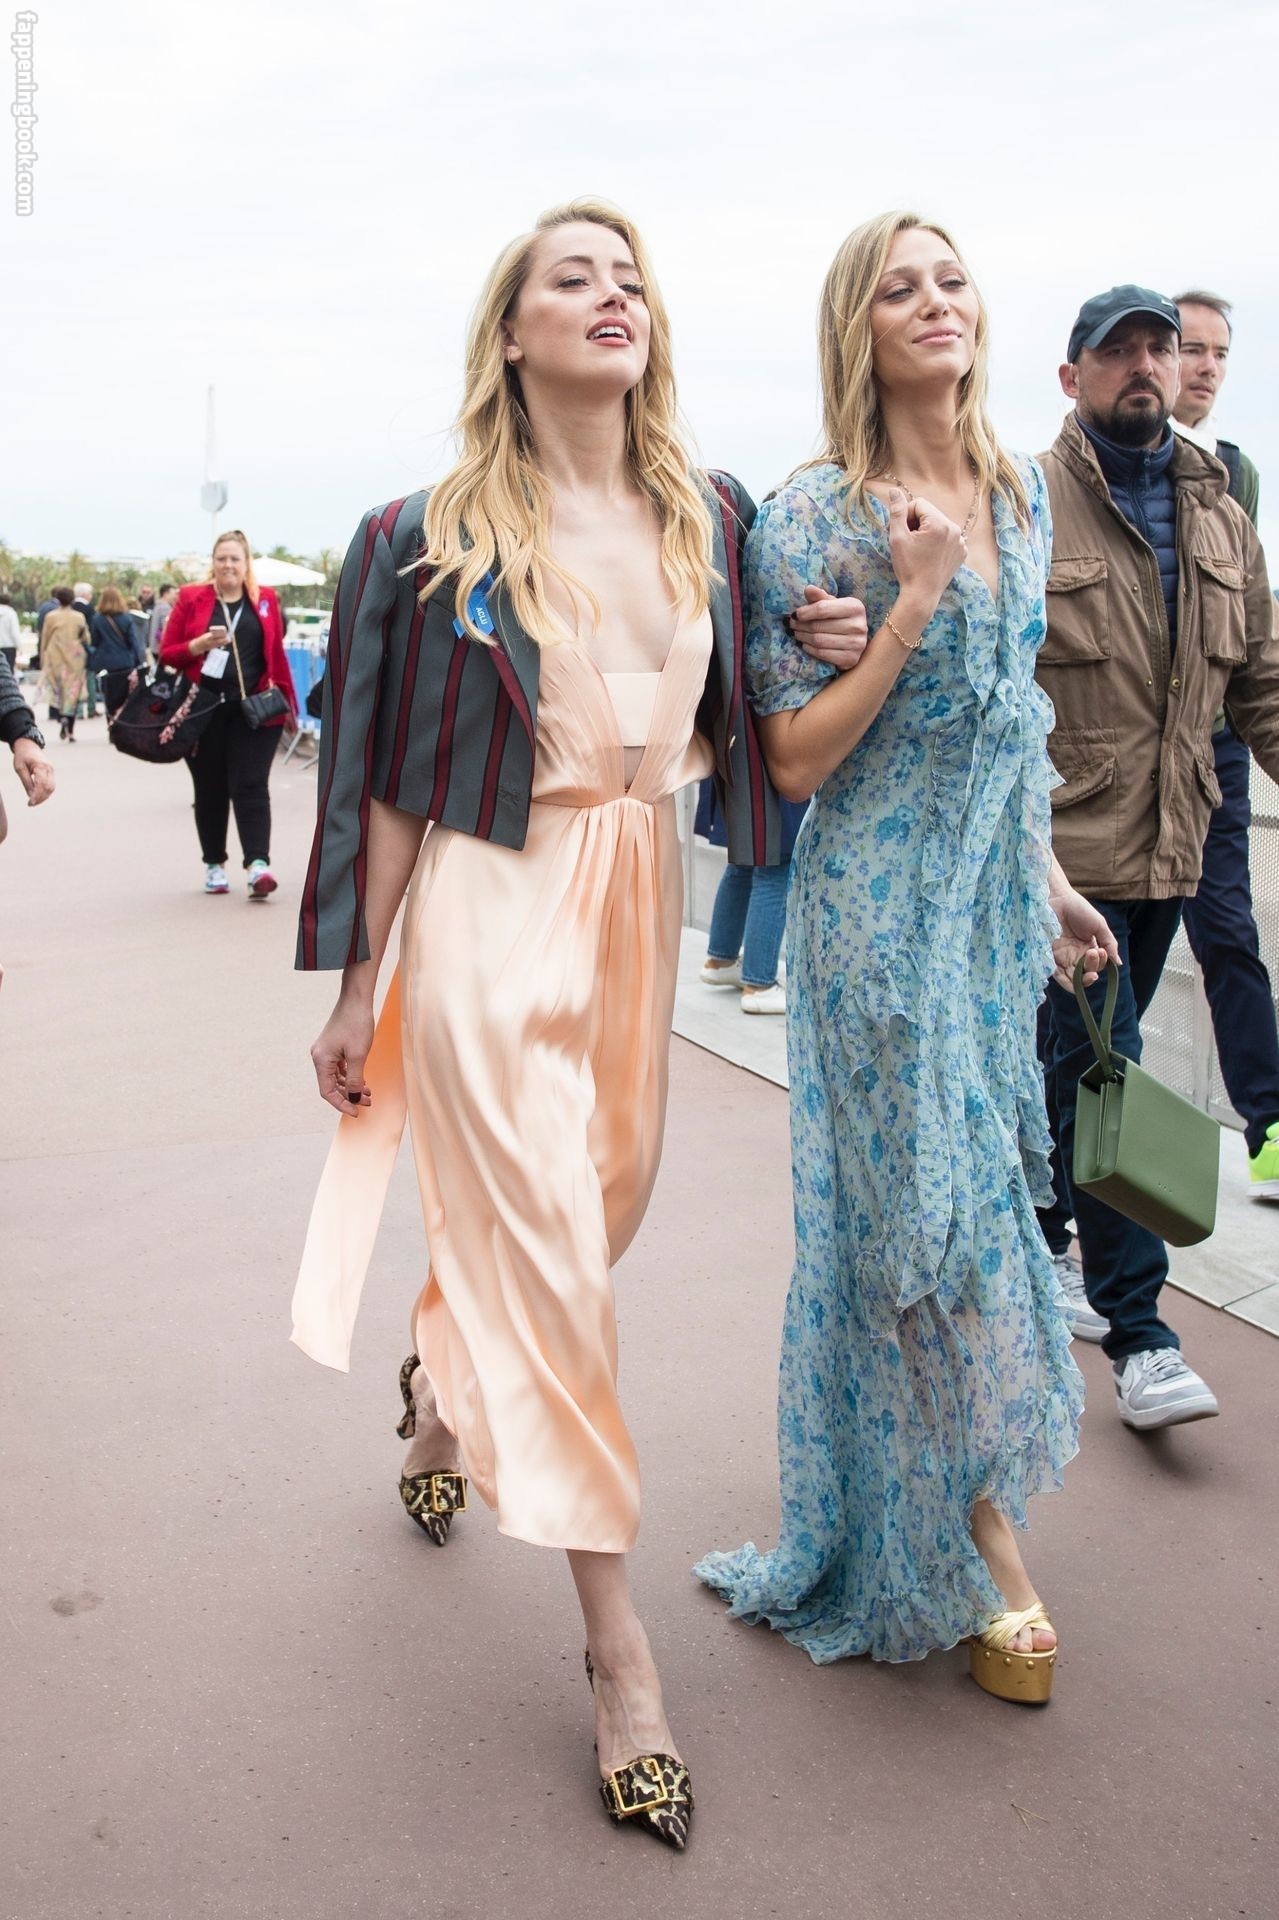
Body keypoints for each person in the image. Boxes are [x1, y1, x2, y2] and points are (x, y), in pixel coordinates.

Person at [291, 199, 869, 1846]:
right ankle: (619, 1658)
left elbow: (762, 688)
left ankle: (437, 1387)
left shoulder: (713, 511)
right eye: (573, 278)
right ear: (512, 330)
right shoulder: (425, 533)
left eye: (630, 280)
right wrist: (358, 980)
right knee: (553, 1260)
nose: (612, 297)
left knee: (593, 1217)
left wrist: (822, 635)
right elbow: (380, 776)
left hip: (635, 905)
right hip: (490, 902)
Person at [695, 211, 1118, 1705]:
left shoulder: (1018, 488)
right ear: (855, 327)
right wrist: (910, 602)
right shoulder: (815, 516)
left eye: (949, 278)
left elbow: (1000, 724)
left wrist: (1049, 886)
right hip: (872, 919)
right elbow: (794, 764)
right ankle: (993, 1549)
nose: (934, 301)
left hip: (984, 924)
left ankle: (930, 1509)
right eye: (898, 287)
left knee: (976, 1202)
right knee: (927, 1227)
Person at [1036, 285, 1279, 1428]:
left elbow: (1261, 683)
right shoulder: (1027, 503)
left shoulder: (1222, 513)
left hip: (1171, 854)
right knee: (1107, 1074)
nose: (1143, 364)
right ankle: (1141, 1335)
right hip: (1065, 865)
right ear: (1072, 375)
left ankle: (1042, 1238)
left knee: (1070, 1074)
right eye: (1117, 350)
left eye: (1159, 348)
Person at [1172, 290, 1279, 1199]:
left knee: (1229, 936)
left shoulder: (1236, 474)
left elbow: (1249, 633)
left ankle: (1269, 1128)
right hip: (1123, 764)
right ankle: (1064, 1178)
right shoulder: (1077, 468)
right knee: (1098, 962)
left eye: (1218, 353)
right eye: (1190, 348)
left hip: (1216, 753)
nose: (1204, 368)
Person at [160, 532, 296, 899]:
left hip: (255, 710)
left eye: (235, 558)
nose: (228, 565)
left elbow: (276, 654)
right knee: (210, 788)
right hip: (203, 711)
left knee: (251, 784)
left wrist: (289, 704)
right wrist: (199, 645)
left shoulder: (265, 599)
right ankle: (214, 864)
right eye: (221, 558)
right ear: (213, 562)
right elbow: (168, 653)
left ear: (246, 562)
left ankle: (258, 865)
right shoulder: (192, 597)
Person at [698, 786, 808, 1012]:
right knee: (775, 865)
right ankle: (759, 985)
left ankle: (721, 961)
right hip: (769, 779)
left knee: (744, 860)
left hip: (739, 776)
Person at [39, 587, 90, 741]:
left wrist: (42, 657)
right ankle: (70, 727)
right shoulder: (79, 616)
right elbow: (86, 638)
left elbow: (45, 638)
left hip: (55, 655)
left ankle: (61, 716)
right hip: (74, 657)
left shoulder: (51, 616)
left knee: (58, 689)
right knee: (73, 691)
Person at [88, 585, 147, 711]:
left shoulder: (97, 619)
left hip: (106, 664)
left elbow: (95, 642)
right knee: (125, 696)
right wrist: (138, 662)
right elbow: (133, 642)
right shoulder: (126, 618)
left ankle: (111, 717)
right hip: (125, 662)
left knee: (110, 697)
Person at [72, 584, 98, 717]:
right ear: (84, 594)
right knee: (90, 678)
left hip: (73, 648)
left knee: (76, 679)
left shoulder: (71, 608)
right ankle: (91, 707)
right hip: (87, 647)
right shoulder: (89, 609)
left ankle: (78, 710)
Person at [150, 583, 176, 656]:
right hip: (161, 647)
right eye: (174, 594)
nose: (175, 596)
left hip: (154, 646)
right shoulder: (165, 608)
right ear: (165, 594)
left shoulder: (158, 605)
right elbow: (167, 628)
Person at [0, 593, 21, 670]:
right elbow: (14, 632)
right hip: (9, 646)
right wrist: (19, 646)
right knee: (8, 670)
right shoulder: (11, 613)